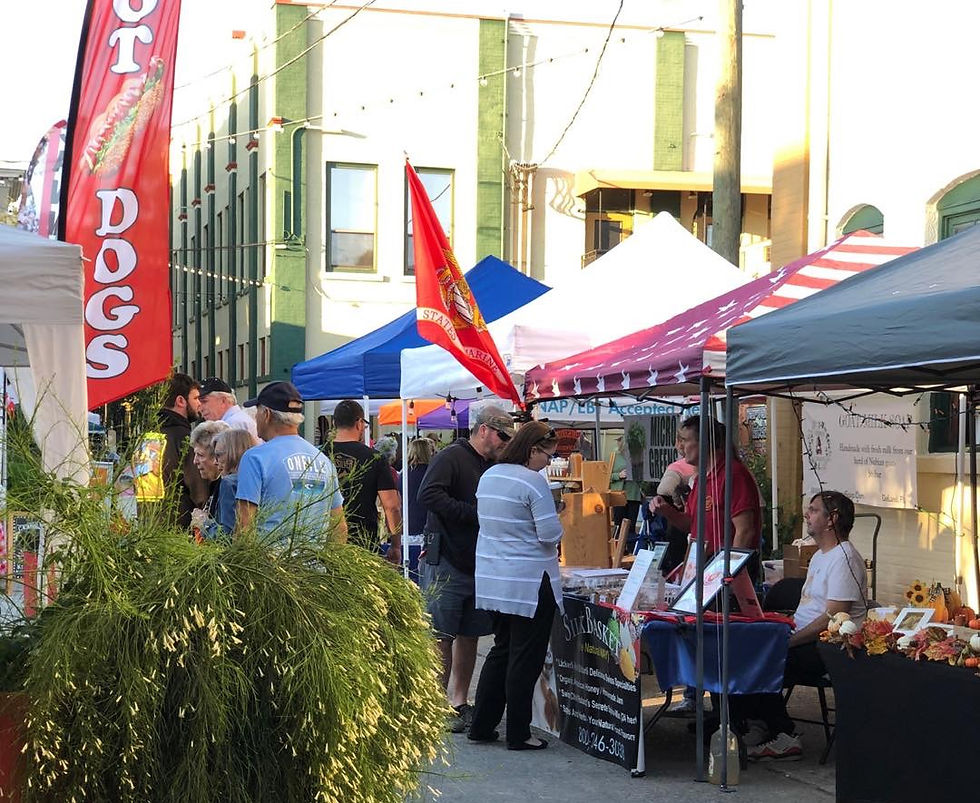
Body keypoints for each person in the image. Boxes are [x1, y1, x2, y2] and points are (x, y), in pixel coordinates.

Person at [745, 491, 867, 761]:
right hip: (802, 637)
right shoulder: (822, 555)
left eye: (813, 510)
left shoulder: (845, 558)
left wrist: (789, 641)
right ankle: (757, 724)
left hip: (828, 647)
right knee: (744, 648)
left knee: (763, 659)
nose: (806, 515)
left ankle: (784, 735)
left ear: (832, 519)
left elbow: (834, 618)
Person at [418, 404, 515, 733]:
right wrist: (471, 513)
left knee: (470, 632)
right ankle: (432, 706)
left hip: (478, 561)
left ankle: (459, 701)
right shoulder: (451, 456)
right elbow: (427, 494)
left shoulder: (492, 463)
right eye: (502, 435)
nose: (504, 442)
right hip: (447, 558)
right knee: (441, 634)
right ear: (484, 429)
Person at [468, 422, 563, 751]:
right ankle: (519, 732)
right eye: (548, 456)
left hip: (495, 579)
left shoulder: (489, 476)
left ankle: (481, 724)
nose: (549, 463)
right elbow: (550, 534)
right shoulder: (533, 482)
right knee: (525, 657)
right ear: (533, 449)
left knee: (501, 651)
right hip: (529, 582)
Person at [235, 382, 346, 542]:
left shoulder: (255, 458)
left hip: (268, 563)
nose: (255, 418)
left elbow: (244, 526)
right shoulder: (322, 460)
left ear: (266, 414)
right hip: (314, 564)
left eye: (257, 412)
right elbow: (338, 527)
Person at [328, 400, 402, 563]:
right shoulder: (375, 458)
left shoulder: (318, 455)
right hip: (363, 545)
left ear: (334, 423)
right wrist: (396, 546)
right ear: (359, 423)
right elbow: (392, 506)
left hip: (323, 544)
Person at [157, 372, 208, 529]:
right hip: (177, 527)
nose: (199, 404)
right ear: (180, 401)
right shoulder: (185, 438)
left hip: (149, 522)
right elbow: (200, 493)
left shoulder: (149, 435)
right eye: (195, 398)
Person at [189, 420, 231, 540]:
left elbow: (228, 536)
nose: (195, 461)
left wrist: (203, 523)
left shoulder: (229, 485)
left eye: (200, 455)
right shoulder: (217, 483)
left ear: (217, 455)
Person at [213, 428, 258, 535]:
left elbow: (226, 534)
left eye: (218, 455)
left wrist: (203, 525)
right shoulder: (259, 479)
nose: (215, 462)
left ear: (233, 452)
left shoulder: (229, 483)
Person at [403, 437, 436, 582]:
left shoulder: (403, 474)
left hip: (407, 527)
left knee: (408, 575)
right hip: (429, 529)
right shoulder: (433, 473)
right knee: (429, 576)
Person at [609, 436, 642, 539]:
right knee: (619, 525)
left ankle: (630, 549)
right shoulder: (614, 457)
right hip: (618, 495)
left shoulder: (639, 457)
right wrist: (618, 475)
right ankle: (619, 550)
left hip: (633, 495)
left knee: (631, 526)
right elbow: (606, 476)